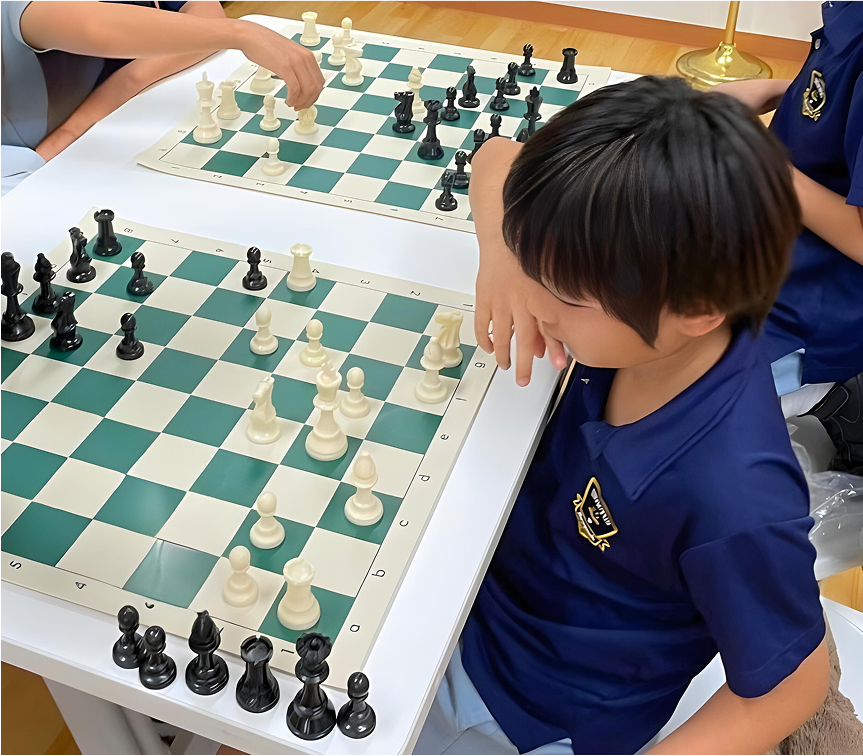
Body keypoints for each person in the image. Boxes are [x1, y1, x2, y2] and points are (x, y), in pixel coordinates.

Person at [416, 77, 828, 755]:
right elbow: (496, 155)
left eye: (565, 294)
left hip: (528, 712)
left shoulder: (732, 496)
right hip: (469, 589)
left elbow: (793, 684)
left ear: (697, 311)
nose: (539, 306)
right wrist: (502, 255)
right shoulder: (660, 307)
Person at [713, 0, 862, 473]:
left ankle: (834, 393)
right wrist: (784, 90)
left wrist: (761, 161)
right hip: (770, 244)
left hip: (811, 307)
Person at [1, 0, 323, 192]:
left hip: (103, 132)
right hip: (26, 168)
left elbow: (207, 16)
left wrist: (128, 81)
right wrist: (241, 33)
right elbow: (93, 27)